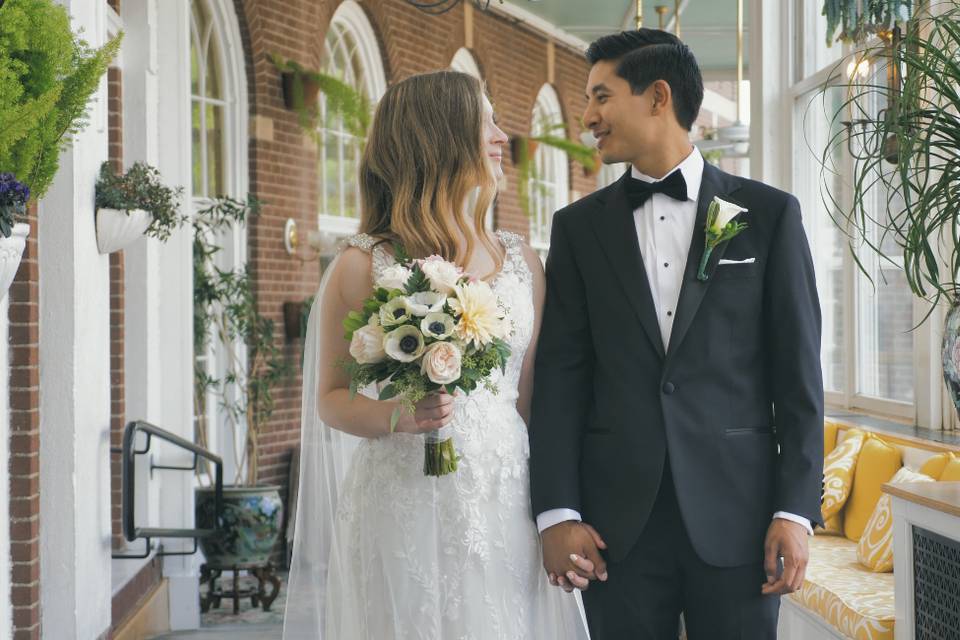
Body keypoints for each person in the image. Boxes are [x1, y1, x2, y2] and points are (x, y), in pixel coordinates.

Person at [529, 29, 824, 639]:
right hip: (613, 529)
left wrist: (794, 510)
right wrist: (556, 512)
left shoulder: (769, 217)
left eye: (601, 97)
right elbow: (561, 377)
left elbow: (798, 379)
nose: (587, 117)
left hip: (740, 518)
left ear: (658, 96)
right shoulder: (577, 230)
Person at [283, 70, 588, 639]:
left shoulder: (523, 263)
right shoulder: (362, 263)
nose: (503, 137)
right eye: (487, 123)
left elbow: (534, 405)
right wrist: (395, 416)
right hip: (402, 498)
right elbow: (330, 398)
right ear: (441, 139)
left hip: (505, 497)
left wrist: (559, 511)